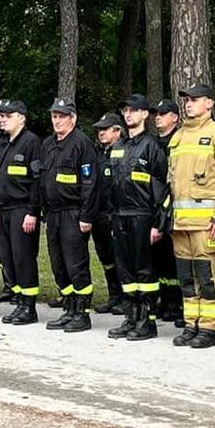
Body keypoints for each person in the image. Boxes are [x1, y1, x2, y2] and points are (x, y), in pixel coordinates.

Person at [167, 84, 215, 347]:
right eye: (186, 100)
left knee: (208, 276)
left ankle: (209, 329)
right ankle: (191, 324)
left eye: (195, 100)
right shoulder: (178, 137)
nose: (188, 104)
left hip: (206, 224)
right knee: (186, 278)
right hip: (180, 224)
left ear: (209, 103)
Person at [105, 97, 172, 341]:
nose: (128, 114)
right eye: (125, 110)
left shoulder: (152, 146)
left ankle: (147, 320)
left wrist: (158, 223)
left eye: (134, 110)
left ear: (145, 115)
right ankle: (131, 316)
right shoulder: (119, 145)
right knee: (125, 270)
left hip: (143, 216)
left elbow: (163, 188)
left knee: (145, 270)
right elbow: (111, 184)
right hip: (120, 216)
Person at [40, 97, 106, 332]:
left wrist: (86, 216)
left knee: (75, 263)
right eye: (54, 116)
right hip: (54, 214)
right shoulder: (48, 144)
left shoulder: (81, 143)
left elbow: (90, 183)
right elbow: (42, 179)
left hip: (73, 213)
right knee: (58, 265)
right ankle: (69, 308)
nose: (57, 121)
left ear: (73, 119)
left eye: (62, 116)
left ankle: (82, 313)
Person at [0, 99, 46, 324]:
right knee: (8, 258)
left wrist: (32, 211)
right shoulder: (2, 142)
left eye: (7, 115)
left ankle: (28, 307)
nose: (2, 119)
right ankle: (18, 299)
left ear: (21, 118)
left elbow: (36, 180)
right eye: (0, 115)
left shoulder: (31, 142)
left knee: (23, 258)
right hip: (3, 209)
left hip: (22, 208)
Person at [151, 98, 187, 325]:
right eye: (156, 114)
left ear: (174, 117)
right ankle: (166, 300)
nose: (158, 117)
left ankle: (179, 303)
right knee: (161, 258)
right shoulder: (153, 143)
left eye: (163, 114)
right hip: (156, 205)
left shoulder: (180, 140)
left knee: (177, 258)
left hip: (176, 206)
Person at [92, 114, 128, 314]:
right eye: (99, 129)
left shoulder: (124, 150)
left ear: (117, 131)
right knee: (105, 258)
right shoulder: (98, 153)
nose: (101, 133)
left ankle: (125, 297)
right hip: (99, 215)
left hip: (116, 215)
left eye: (106, 129)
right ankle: (113, 295)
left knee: (120, 258)